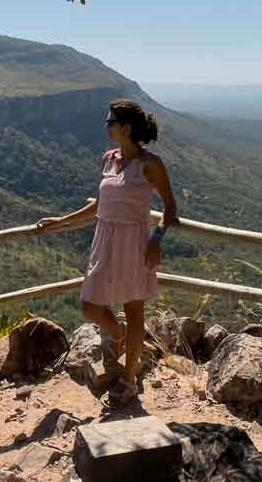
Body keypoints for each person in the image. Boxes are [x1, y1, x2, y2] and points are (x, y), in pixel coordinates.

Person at [37, 99, 180, 408]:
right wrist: (62, 221)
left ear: (126, 129)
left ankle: (129, 381)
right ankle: (119, 334)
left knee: (133, 308)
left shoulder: (150, 164)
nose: (106, 126)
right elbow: (100, 204)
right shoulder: (108, 159)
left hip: (134, 240)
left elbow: (170, 207)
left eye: (110, 122)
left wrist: (157, 238)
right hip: (105, 237)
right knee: (90, 305)